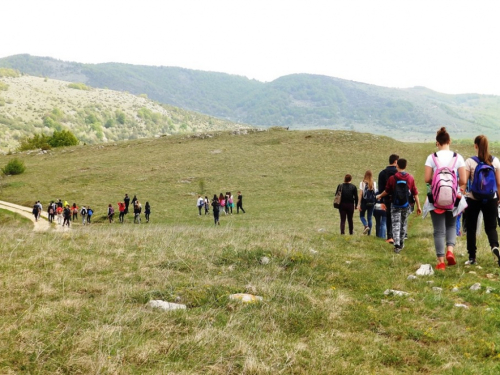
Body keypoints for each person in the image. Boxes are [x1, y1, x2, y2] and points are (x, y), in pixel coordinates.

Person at [424, 127, 466, 270]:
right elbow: (463, 180)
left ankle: (441, 261)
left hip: (436, 199)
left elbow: (427, 179)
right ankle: (450, 251)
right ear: (449, 141)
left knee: (438, 230)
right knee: (451, 226)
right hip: (453, 199)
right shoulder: (457, 157)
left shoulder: (432, 157)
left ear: (437, 143)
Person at [463, 135, 500, 266]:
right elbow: (499, 183)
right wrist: (499, 198)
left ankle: (472, 257)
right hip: (491, 198)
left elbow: (464, 181)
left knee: (471, 227)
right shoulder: (495, 161)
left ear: (475, 146)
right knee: (491, 227)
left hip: (474, 198)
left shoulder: (470, 161)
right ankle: (494, 246)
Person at [377, 159, 422, 253]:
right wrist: (418, 206)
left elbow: (387, 191)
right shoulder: (410, 178)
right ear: (405, 166)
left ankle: (396, 244)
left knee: (395, 223)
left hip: (395, 204)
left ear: (397, 166)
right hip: (406, 205)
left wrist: (380, 196)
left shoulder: (392, 178)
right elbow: (415, 193)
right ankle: (401, 243)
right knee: (403, 223)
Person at [378, 154, 399, 244]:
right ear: (395, 162)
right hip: (398, 198)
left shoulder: (382, 173)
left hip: (386, 198)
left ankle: (389, 236)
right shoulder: (398, 173)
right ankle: (397, 236)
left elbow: (380, 189)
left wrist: (381, 201)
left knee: (389, 216)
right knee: (397, 217)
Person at [358, 170, 377, 235]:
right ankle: (369, 234)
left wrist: (359, 204)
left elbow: (360, 194)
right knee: (369, 217)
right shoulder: (374, 183)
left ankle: (366, 225)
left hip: (364, 202)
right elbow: (375, 193)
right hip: (372, 202)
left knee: (361, 216)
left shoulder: (362, 183)